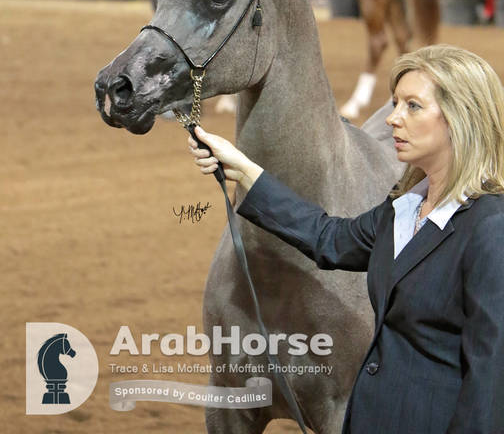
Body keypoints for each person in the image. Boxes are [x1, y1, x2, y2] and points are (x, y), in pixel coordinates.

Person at [188, 44, 504, 434]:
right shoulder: (403, 209)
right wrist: (245, 169)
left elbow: (491, 377)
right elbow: (328, 237)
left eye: (412, 106)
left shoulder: (491, 228)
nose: (391, 119)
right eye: (395, 103)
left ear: (461, 118)